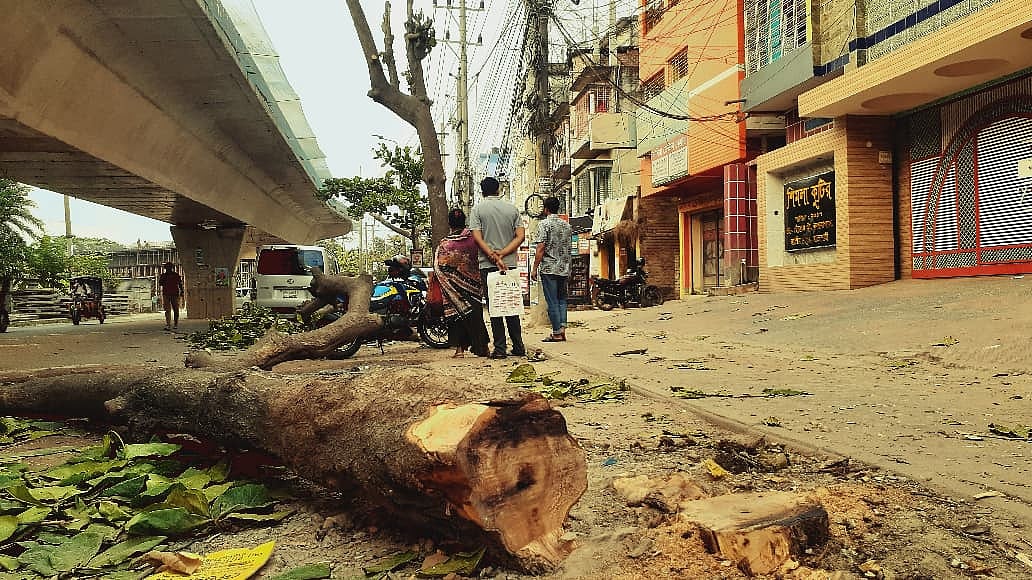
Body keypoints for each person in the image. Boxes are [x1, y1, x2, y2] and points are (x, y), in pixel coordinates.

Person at [469, 176, 526, 359]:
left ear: (482, 191)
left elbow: (477, 238)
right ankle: (518, 346)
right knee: (511, 305)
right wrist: (503, 254)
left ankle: (500, 348)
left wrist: (493, 256)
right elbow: (520, 236)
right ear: (498, 190)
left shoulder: (477, 210)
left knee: (495, 306)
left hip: (488, 265)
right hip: (509, 265)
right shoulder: (512, 209)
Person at [433, 208, 490, 358]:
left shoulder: (445, 244)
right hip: (474, 286)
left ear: (449, 223)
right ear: (464, 221)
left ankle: (459, 350)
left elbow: (440, 266)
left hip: (452, 288)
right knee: (476, 317)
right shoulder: (475, 239)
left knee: (456, 316)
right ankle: (483, 347)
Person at [531, 196, 573, 342]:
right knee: (562, 300)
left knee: (552, 301)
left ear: (546, 209)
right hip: (564, 268)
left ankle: (556, 333)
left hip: (549, 268)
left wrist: (534, 268)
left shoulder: (544, 224)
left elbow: (541, 248)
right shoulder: (567, 226)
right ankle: (562, 329)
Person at [158, 262, 184, 331]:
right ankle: (171, 324)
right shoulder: (169, 275)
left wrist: (182, 291)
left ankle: (172, 324)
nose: (168, 269)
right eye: (167, 268)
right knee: (170, 310)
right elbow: (160, 283)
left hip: (171, 294)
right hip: (169, 294)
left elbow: (180, 284)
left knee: (174, 309)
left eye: (169, 268)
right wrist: (182, 291)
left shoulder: (174, 275)